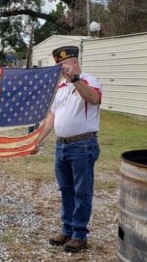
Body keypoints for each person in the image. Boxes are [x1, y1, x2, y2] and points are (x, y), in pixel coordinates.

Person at [30, 45, 102, 252]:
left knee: (82, 192)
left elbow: (94, 99)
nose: (62, 69)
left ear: (74, 62)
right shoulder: (60, 88)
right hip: (61, 146)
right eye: (59, 65)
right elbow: (52, 117)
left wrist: (75, 80)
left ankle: (79, 235)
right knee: (66, 190)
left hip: (83, 145)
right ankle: (67, 230)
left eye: (64, 65)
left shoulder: (89, 80)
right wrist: (38, 141)